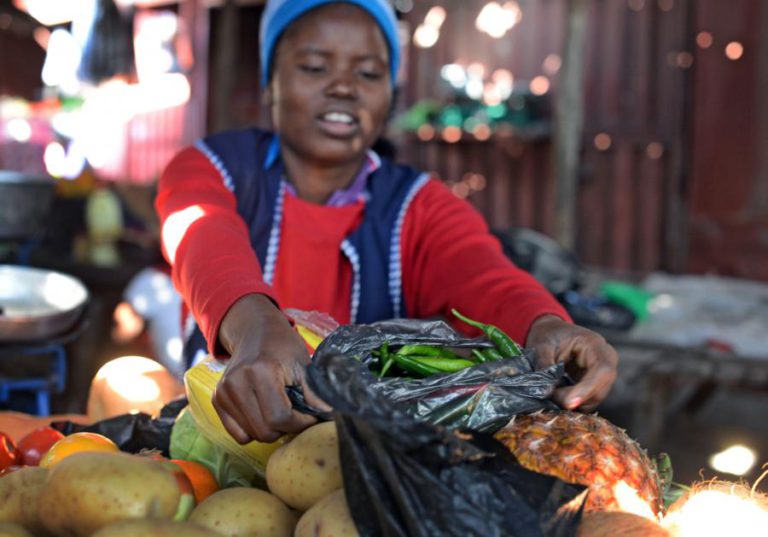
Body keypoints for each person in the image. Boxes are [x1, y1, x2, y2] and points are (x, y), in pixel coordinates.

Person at [155, 0, 618, 445]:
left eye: (369, 73)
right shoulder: (211, 168)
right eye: (314, 67)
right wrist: (256, 328)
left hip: (366, 468)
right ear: (269, 84)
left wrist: (544, 325)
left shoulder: (419, 206)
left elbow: (484, 276)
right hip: (227, 442)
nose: (343, 87)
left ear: (389, 95)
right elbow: (201, 237)